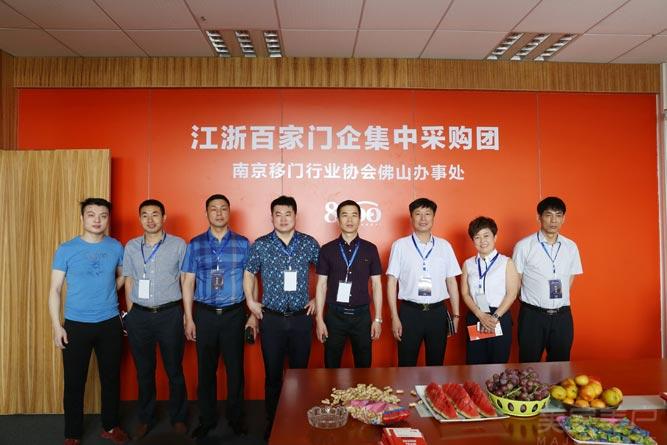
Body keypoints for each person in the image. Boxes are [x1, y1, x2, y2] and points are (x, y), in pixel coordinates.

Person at [47, 198, 129, 445]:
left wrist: (110, 289)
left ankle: (110, 426)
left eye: (103, 215)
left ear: (108, 219)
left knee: (111, 378)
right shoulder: (66, 249)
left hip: (109, 323)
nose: (97, 220)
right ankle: (72, 433)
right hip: (76, 324)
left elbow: (124, 274)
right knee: (74, 382)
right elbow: (55, 289)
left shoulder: (116, 247)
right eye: (91, 214)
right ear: (82, 218)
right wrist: (57, 326)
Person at [243, 195, 319, 439]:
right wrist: (250, 302)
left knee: (300, 374)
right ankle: (273, 421)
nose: (283, 219)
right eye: (278, 214)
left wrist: (317, 299)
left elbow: (326, 274)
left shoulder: (308, 243)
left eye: (288, 214)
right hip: (272, 319)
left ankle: (298, 420)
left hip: (300, 318)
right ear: (272, 217)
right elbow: (249, 273)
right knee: (273, 375)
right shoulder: (261, 244)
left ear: (295, 216)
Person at [181, 194, 256, 439]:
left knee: (235, 371)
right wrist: (189, 317)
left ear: (229, 212)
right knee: (206, 371)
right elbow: (188, 281)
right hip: (204, 314)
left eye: (223, 209)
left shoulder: (243, 243)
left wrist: (252, 315)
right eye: (214, 209)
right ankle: (207, 419)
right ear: (206, 213)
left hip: (234, 314)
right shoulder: (195, 244)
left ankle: (236, 418)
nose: (219, 213)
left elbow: (251, 279)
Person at [122, 199, 187, 439]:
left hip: (170, 314)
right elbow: (129, 279)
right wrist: (130, 314)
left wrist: (186, 315)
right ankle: (146, 418)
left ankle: (178, 417)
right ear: (140, 218)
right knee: (144, 371)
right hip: (139, 316)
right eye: (145, 215)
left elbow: (185, 280)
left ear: (164, 217)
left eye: (155, 214)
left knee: (174, 370)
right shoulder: (131, 246)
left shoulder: (179, 245)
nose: (150, 220)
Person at [386, 198, 461, 366]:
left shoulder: (444, 246)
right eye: (418, 214)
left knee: (436, 364)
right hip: (410, 313)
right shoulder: (400, 245)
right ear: (411, 218)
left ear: (433, 217)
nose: (423, 218)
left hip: (437, 313)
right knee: (406, 365)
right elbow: (391, 282)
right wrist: (394, 317)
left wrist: (456, 315)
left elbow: (451, 281)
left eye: (427, 214)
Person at [512, 196, 583, 362]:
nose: (553, 220)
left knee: (561, 365)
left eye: (558, 215)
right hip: (533, 316)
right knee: (529, 365)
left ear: (564, 218)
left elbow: (570, 277)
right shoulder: (524, 246)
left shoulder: (571, 247)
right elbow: (515, 280)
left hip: (562, 316)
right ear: (539, 217)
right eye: (548, 215)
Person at [314, 200, 383, 368]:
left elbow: (376, 285)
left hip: (362, 317)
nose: (349, 220)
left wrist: (377, 319)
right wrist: (319, 320)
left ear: (360, 219)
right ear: (338, 219)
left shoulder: (370, 249)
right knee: (331, 366)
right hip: (334, 316)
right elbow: (321, 285)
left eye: (354, 215)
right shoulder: (327, 249)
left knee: (364, 367)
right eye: (345, 215)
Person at [460, 216, 519, 364]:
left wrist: (495, 317)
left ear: (495, 237)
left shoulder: (506, 262)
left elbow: (512, 293)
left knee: (498, 366)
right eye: (477, 237)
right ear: (473, 240)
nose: (482, 241)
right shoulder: (468, 264)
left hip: (499, 317)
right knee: (475, 364)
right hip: (476, 315)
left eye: (486, 235)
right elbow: (465, 293)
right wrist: (480, 314)